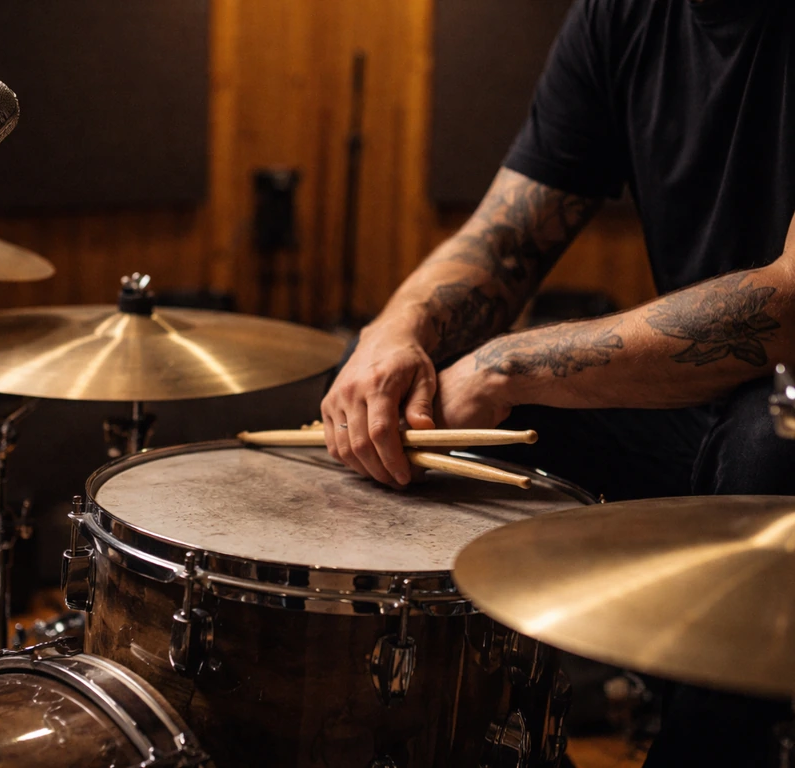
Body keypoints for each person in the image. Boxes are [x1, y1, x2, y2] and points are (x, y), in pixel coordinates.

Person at [320, 0, 795, 765]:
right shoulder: (623, 17)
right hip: (703, 410)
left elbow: (791, 303)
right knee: (405, 409)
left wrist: (510, 366)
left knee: (764, 450)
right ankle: (465, 731)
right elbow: (504, 235)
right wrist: (393, 332)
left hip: (782, 420)